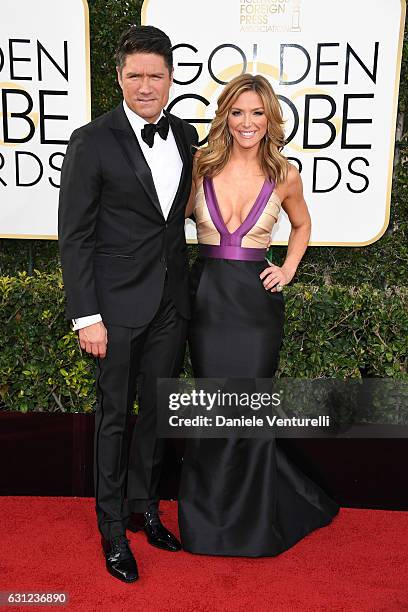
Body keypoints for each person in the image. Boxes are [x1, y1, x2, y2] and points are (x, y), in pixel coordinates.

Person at [58, 25, 198, 582]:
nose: (146, 86)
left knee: (156, 414)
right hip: (113, 308)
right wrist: (86, 315)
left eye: (156, 76)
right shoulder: (91, 140)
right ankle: (112, 528)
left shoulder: (186, 136)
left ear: (171, 77)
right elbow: (75, 236)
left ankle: (145, 508)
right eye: (135, 75)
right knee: (115, 417)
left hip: (170, 302)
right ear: (118, 77)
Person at [179, 73, 339, 557]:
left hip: (254, 305)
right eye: (237, 111)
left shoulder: (284, 173)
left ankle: (249, 526)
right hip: (206, 299)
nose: (247, 122)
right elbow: (167, 223)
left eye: (257, 112)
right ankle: (207, 522)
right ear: (224, 116)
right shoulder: (199, 165)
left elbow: (302, 223)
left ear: (271, 118)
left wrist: (287, 269)